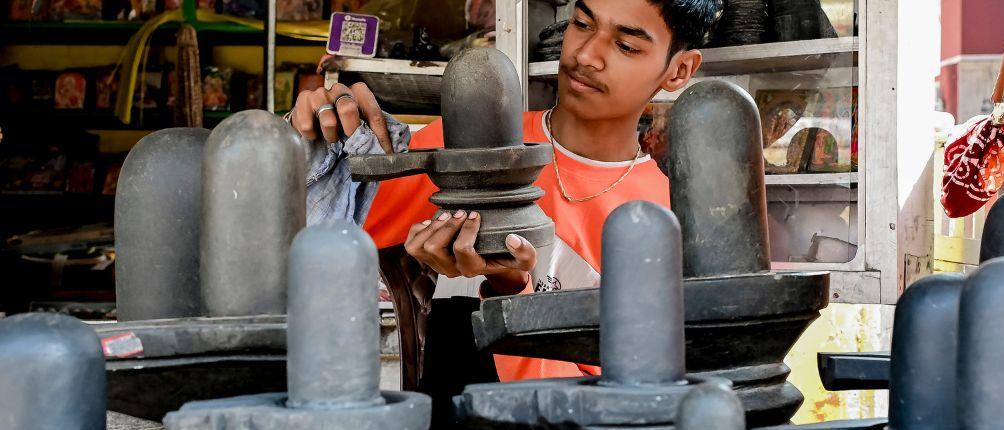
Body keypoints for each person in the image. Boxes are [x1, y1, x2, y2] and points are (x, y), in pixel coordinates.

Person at [290, 0, 717, 381]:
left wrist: (510, 288)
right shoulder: (459, 154)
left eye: (626, 45)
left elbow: (628, 398)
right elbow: (315, 249)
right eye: (583, 23)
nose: (586, 55)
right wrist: (310, 150)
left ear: (678, 69)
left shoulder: (668, 218)